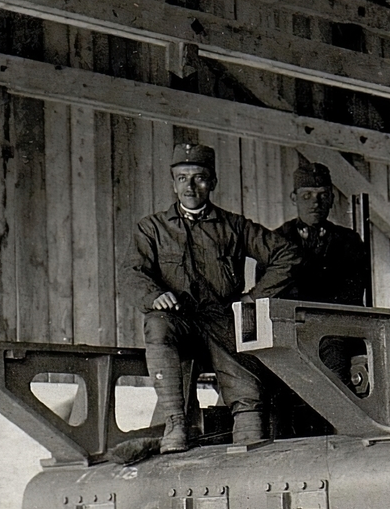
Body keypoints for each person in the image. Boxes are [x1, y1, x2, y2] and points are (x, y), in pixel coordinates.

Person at [125, 142, 297, 453]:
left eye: (199, 177)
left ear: (212, 182)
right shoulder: (152, 228)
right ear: (172, 182)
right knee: (156, 324)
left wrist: (255, 297)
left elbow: (286, 253)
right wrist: (154, 295)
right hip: (179, 321)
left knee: (248, 405)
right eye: (182, 178)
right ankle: (176, 423)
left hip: (223, 319)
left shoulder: (234, 227)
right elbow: (132, 273)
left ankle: (248, 427)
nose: (190, 186)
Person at [272, 158, 370, 307]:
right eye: (307, 196)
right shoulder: (276, 240)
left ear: (331, 199)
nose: (316, 203)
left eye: (323, 195)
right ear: (294, 199)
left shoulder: (350, 241)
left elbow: (354, 296)